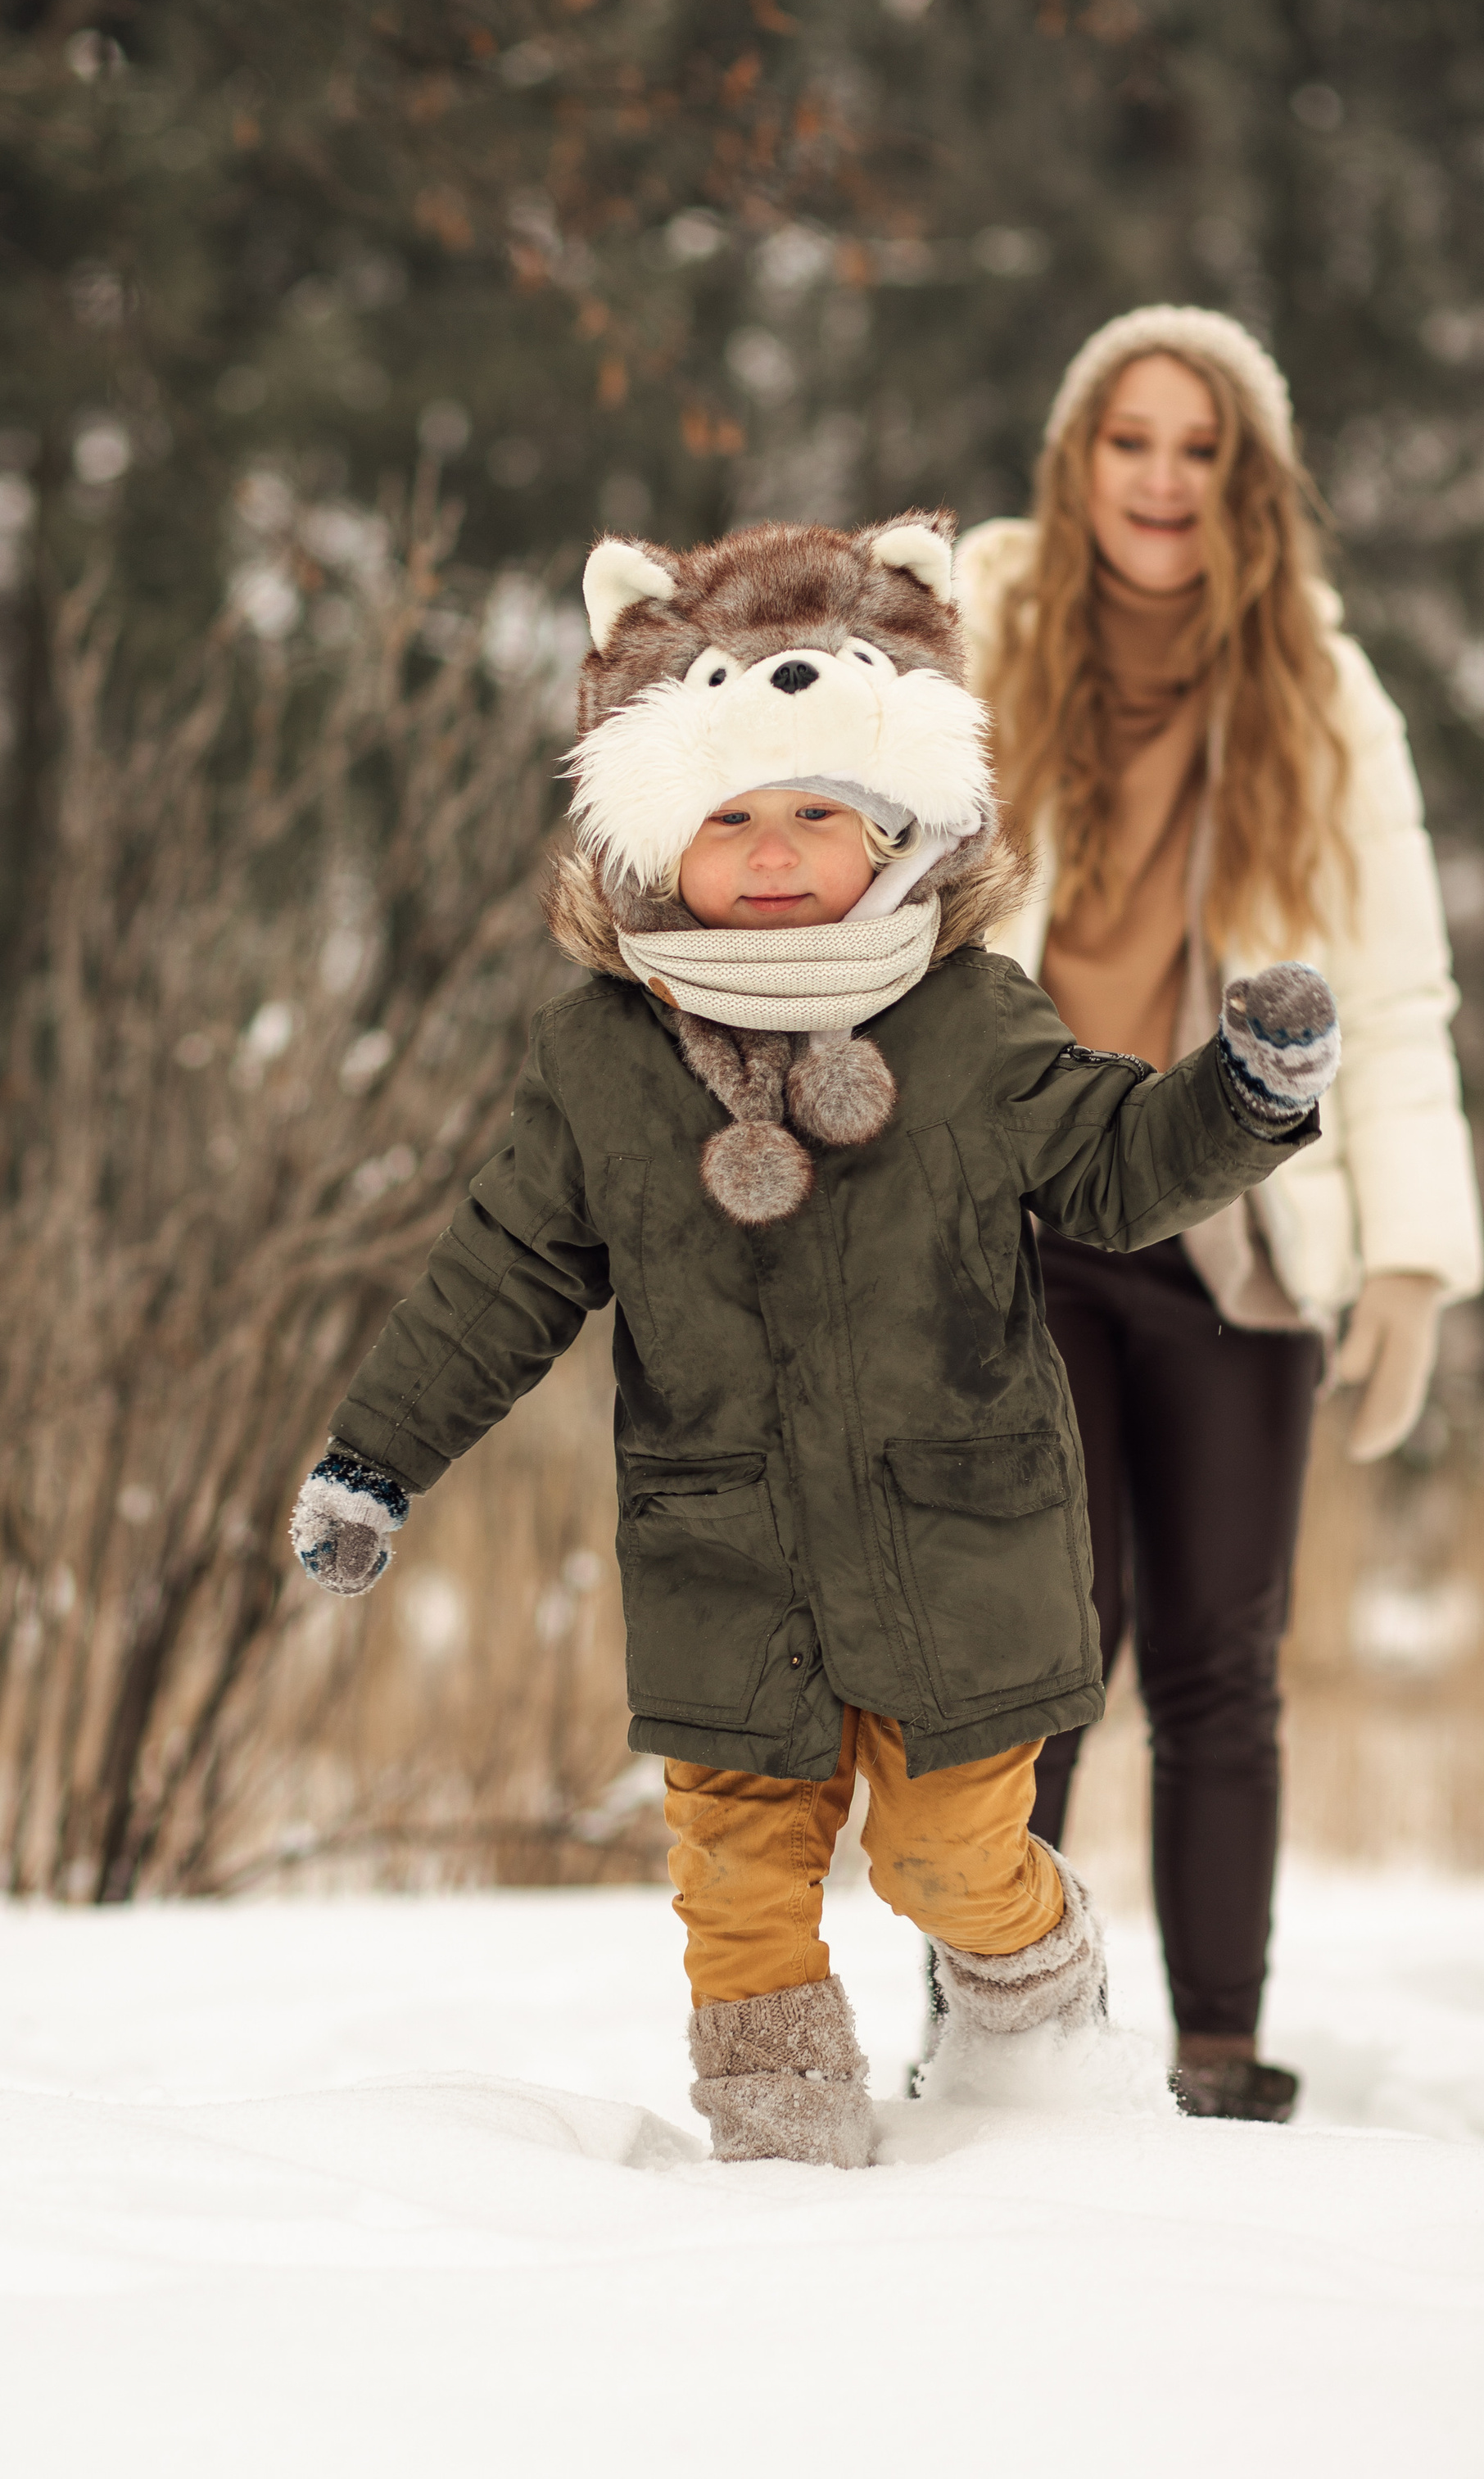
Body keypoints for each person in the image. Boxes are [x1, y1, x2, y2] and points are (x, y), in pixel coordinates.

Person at [286, 509, 1338, 2167]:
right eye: (726, 815)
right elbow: (497, 1274)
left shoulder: (966, 1014)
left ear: (893, 826)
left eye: (813, 812)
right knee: (736, 1878)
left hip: (954, 1547)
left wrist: (1241, 1098)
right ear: (651, 836)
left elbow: (1116, 1164)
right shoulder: (603, 1057)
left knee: (945, 1858)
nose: (769, 851)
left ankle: (1037, 2005)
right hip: (724, 1557)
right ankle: (779, 2170)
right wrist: (375, 1457)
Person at [951, 306, 1484, 2124]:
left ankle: (1212, 2055)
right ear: (1074, 460)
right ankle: (995, 2031)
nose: (1160, 479)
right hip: (1020, 1218)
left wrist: (1409, 1256)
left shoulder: (1322, 693)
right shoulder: (970, 640)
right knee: (1041, 1649)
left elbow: (1396, 991)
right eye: (1129, 441)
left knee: (1215, 1660)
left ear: (1243, 482)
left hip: (1240, 1229)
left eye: (1198, 448)